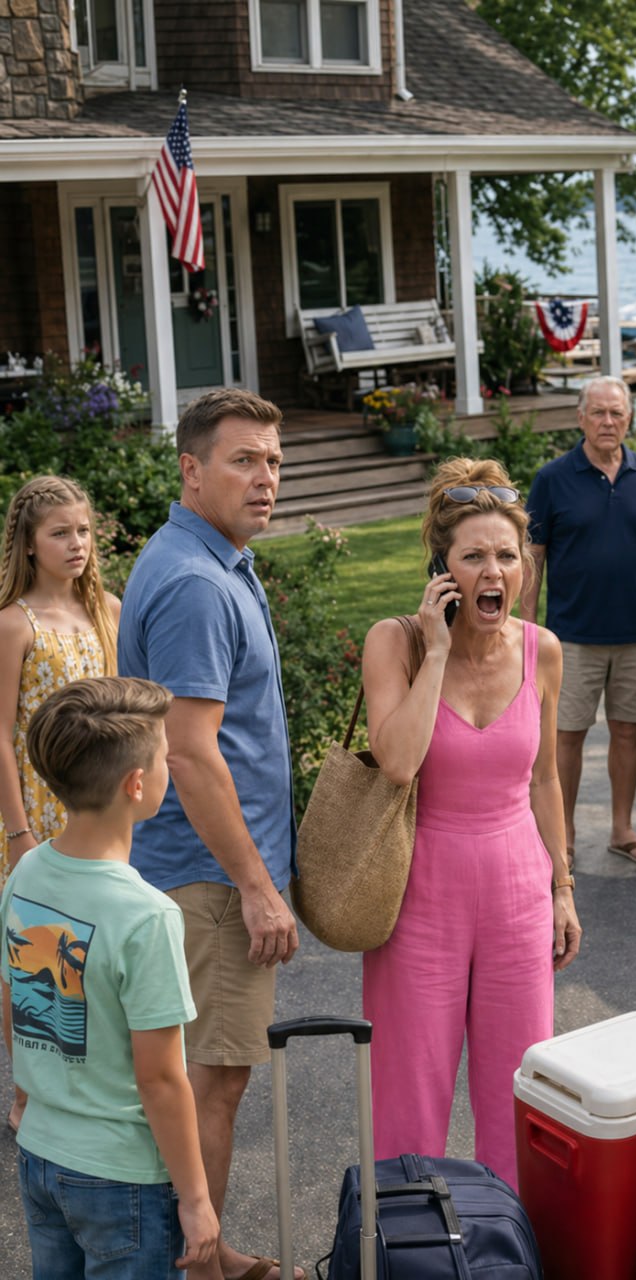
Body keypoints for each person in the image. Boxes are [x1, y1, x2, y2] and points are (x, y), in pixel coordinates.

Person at [118, 389, 300, 1280]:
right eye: (243, 461)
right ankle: (195, 1265)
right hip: (212, 881)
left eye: (273, 462)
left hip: (201, 871)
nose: (265, 479)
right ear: (192, 470)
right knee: (211, 1082)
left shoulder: (209, 557)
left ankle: (202, 1252)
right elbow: (190, 754)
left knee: (196, 1077)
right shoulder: (196, 583)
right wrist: (256, 887)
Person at [361, 458, 581, 1189]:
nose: (493, 572)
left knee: (518, 1092)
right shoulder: (395, 642)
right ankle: (404, 1240)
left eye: (507, 556)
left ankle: (508, 1240)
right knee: (408, 1094)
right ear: (442, 567)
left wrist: (563, 888)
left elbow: (544, 778)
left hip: (519, 892)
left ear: (524, 566)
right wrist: (435, 651)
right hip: (417, 896)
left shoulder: (542, 649)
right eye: (474, 556)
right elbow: (397, 762)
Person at [1, 676, 219, 1278]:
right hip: (123, 1179)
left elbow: (14, 1005)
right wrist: (196, 1199)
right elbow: (161, 1079)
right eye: (164, 754)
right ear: (137, 784)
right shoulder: (147, 916)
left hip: (40, 1153)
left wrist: (31, 1099)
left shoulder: (26, 874)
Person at [0, 474, 121, 1133]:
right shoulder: (12, 624)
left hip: (101, 812)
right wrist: (16, 830)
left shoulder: (109, 612)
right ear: (28, 542)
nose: (77, 543)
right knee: (33, 962)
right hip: (35, 818)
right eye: (60, 533)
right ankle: (30, 1096)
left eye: (84, 531)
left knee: (93, 958)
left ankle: (88, 1091)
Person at [523, 376, 636, 870]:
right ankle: (562, 838)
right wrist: (525, 627)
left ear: (629, 419)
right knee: (566, 737)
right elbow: (533, 555)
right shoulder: (552, 479)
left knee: (628, 732)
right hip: (570, 637)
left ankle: (622, 830)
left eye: (617, 413)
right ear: (580, 418)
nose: (608, 422)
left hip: (634, 632)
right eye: (598, 413)